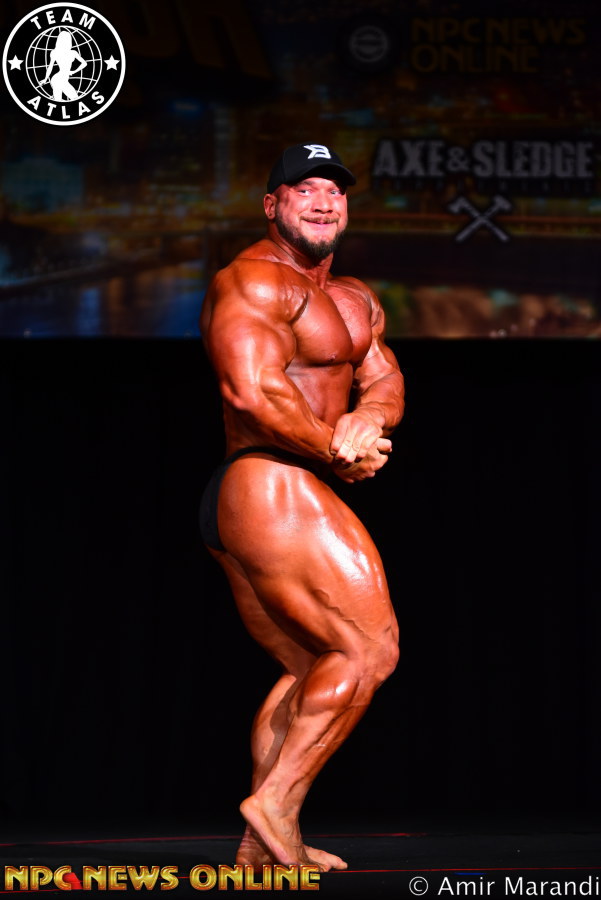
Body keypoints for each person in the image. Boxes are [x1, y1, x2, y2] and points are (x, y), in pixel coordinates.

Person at [199, 143, 405, 873]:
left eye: (334, 191)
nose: (322, 202)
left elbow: (384, 380)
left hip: (278, 487)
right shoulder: (252, 279)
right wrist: (336, 449)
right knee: (369, 650)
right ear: (272, 204)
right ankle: (277, 804)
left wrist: (367, 420)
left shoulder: (354, 297)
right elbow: (252, 390)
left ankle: (259, 847)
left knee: (315, 662)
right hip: (270, 480)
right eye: (304, 189)